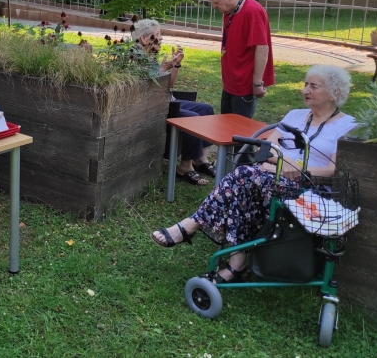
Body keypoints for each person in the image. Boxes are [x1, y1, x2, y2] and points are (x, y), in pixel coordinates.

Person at [150, 65, 356, 283]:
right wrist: (283, 162)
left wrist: (296, 168)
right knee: (244, 183)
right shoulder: (296, 116)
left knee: (243, 177)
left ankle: (195, 227)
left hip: (312, 190)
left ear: (336, 92)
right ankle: (234, 263)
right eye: (305, 84)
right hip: (271, 179)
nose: (306, 90)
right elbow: (264, 149)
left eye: (314, 86)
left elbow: (336, 170)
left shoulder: (347, 126)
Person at [132, 19, 215, 185]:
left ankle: (200, 159)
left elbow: (168, 86)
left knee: (207, 110)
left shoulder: (150, 54)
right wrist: (163, 69)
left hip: (167, 99)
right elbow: (146, 88)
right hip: (156, 106)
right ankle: (185, 167)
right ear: (143, 39)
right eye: (157, 35)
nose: (161, 38)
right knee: (192, 118)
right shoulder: (135, 57)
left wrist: (175, 66)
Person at [206, 0, 275, 119]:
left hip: (244, 84)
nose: (214, 6)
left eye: (216, 2)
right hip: (231, 82)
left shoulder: (252, 11)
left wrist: (257, 83)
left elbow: (262, 48)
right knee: (225, 124)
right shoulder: (230, 10)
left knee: (239, 128)